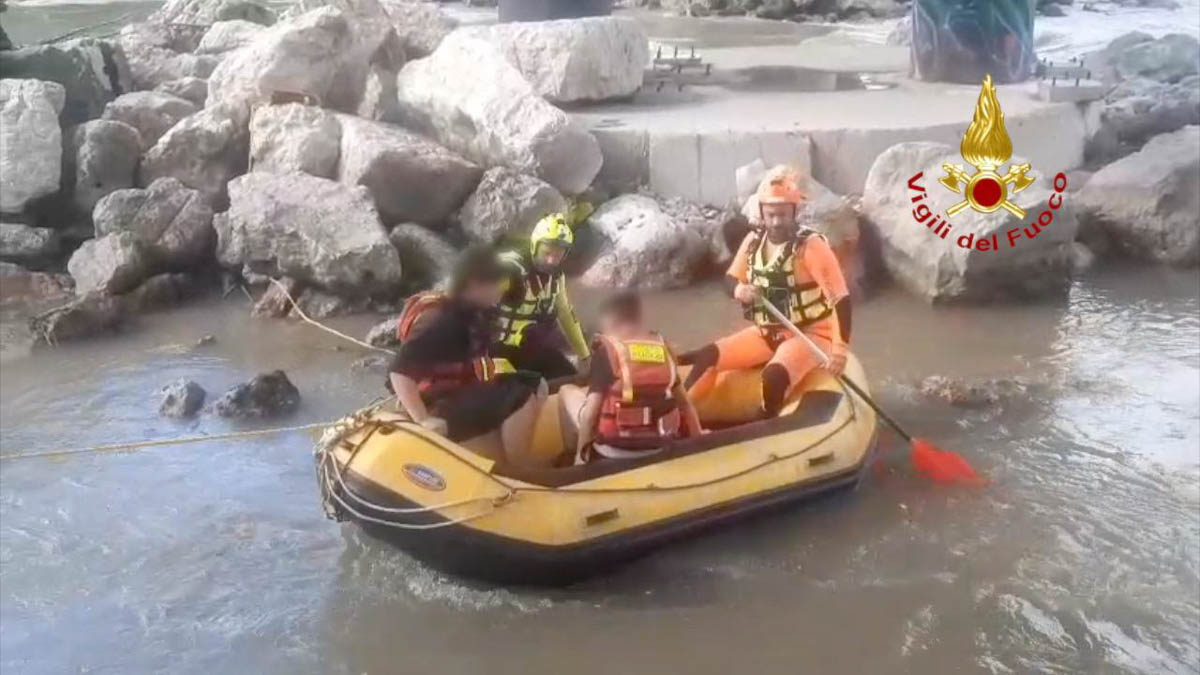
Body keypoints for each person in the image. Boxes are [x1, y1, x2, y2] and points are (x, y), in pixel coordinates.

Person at [680, 170, 852, 418]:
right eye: (770, 215)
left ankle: (767, 421)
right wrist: (740, 290)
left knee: (774, 377)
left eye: (782, 215)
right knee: (707, 356)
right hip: (766, 332)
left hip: (808, 335)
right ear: (761, 213)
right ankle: (683, 414)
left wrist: (839, 350)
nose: (775, 222)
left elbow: (840, 298)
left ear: (795, 213)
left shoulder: (812, 247)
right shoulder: (753, 241)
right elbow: (729, 280)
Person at [388, 245, 542, 460]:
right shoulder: (443, 320)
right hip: (438, 403)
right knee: (520, 396)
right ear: (474, 285)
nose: (500, 292)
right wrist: (423, 419)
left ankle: (502, 448)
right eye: (495, 285)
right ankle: (519, 471)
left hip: (460, 389)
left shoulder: (472, 313)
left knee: (534, 382)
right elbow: (398, 371)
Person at [561, 291, 703, 464]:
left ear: (611, 321)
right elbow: (685, 404)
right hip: (659, 446)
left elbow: (590, 414)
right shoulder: (662, 347)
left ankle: (573, 457)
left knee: (566, 392)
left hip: (613, 450)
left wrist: (580, 458)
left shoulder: (608, 351)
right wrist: (699, 441)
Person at [492, 212, 591, 380]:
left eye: (558, 255)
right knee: (521, 388)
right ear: (535, 246)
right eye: (547, 252)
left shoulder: (556, 278)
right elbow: (473, 308)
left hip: (526, 350)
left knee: (573, 378)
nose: (552, 260)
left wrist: (584, 356)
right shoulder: (510, 271)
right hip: (493, 350)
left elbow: (566, 315)